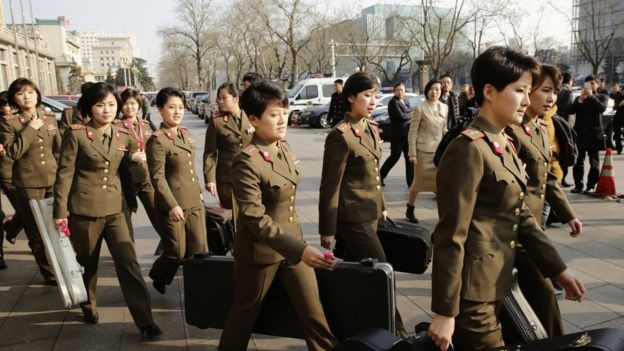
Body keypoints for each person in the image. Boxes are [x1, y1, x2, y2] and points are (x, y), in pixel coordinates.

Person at [428, 46, 585, 351]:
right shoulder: (469, 148)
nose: (527, 100)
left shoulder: (503, 141)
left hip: (501, 281)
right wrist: (446, 310)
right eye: (520, 90)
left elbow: (522, 215)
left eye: (529, 91)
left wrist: (558, 269)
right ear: (489, 91)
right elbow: (450, 235)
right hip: (473, 295)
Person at [219, 80, 337, 351]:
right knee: (242, 319)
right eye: (274, 115)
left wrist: (299, 249)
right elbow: (253, 215)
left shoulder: (282, 146)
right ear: (253, 119)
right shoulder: (246, 160)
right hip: (260, 254)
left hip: (294, 249)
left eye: (284, 112)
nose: (283, 119)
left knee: (315, 316)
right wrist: (301, 249)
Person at [53, 82, 161, 336]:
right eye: (100, 105)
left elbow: (124, 170)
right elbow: (64, 174)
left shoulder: (123, 134)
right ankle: (88, 304)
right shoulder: (77, 134)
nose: (107, 110)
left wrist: (131, 199)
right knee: (87, 263)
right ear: (89, 108)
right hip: (84, 210)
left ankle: (145, 320)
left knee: (129, 263)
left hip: (116, 209)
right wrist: (60, 211)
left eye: (112, 104)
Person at [318, 71, 407, 337]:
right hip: (351, 216)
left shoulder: (370, 127)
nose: (372, 101)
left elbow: (375, 173)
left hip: (370, 213)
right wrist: (327, 229)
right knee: (382, 271)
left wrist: (381, 204)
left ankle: (342, 325)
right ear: (351, 97)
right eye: (367, 95)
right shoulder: (340, 135)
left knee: (351, 275)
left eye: (376, 96)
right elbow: (330, 185)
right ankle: (398, 332)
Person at [506, 64, 582, 337]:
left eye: (555, 92)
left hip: (532, 227)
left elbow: (547, 178)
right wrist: (559, 268)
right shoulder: (511, 132)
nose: (551, 98)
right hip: (517, 231)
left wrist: (568, 213)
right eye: (545, 91)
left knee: (527, 300)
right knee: (545, 297)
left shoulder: (538, 128)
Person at [147, 87, 208, 295]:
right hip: (172, 204)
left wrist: (199, 191)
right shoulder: (157, 140)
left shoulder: (184, 133)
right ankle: (158, 274)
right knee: (176, 251)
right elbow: (157, 177)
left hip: (193, 201)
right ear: (160, 109)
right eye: (171, 107)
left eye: (180, 107)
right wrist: (172, 205)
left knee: (200, 250)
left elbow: (190, 168)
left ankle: (201, 291)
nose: (177, 112)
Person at [0, 78, 60, 284]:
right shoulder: (10, 122)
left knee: (58, 226)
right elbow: (13, 152)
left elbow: (58, 150)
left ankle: (63, 265)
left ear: (37, 94)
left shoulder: (50, 118)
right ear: (14, 98)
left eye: (30, 92)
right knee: (36, 231)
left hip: (52, 179)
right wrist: (31, 128)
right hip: (27, 183)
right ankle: (49, 272)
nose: (26, 96)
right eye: (20, 93)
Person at [115, 88, 162, 240]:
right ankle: (127, 252)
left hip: (146, 178)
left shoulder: (146, 124)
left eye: (133, 103)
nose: (130, 107)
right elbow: (112, 151)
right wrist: (130, 156)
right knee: (124, 220)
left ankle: (170, 246)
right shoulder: (116, 126)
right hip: (126, 181)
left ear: (139, 105)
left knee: (159, 214)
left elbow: (157, 146)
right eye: (126, 103)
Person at [204, 82, 254, 209]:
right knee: (231, 218)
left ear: (236, 99)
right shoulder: (217, 123)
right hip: (227, 180)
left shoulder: (252, 119)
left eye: (224, 98)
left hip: (251, 177)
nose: (220, 101)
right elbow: (210, 153)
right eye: (219, 99)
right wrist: (210, 179)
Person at [405, 80, 448, 223]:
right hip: (423, 152)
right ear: (427, 91)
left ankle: (443, 215)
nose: (434, 92)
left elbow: (444, 130)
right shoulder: (420, 109)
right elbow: (412, 133)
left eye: (437, 89)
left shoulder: (444, 108)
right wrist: (412, 153)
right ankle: (410, 209)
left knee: (441, 185)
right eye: (431, 89)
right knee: (417, 184)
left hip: (439, 153)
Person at [570, 75, 608, 193]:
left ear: (597, 84)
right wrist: (581, 99)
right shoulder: (580, 98)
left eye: (592, 83)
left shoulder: (602, 96)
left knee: (594, 162)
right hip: (580, 133)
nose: (590, 86)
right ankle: (578, 185)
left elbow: (601, 108)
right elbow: (570, 110)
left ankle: (591, 186)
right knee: (578, 161)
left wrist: (591, 96)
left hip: (594, 134)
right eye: (587, 84)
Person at [380, 83, 413, 187]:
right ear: (394, 91)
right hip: (397, 135)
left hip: (407, 134)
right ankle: (380, 175)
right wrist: (410, 114)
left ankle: (411, 182)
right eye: (398, 90)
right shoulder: (393, 102)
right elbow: (401, 116)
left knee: (409, 158)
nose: (400, 92)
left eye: (402, 90)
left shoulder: (406, 101)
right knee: (395, 157)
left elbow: (407, 113)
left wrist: (409, 114)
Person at [609, 83, 624, 154]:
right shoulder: (618, 95)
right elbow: (614, 107)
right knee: (617, 133)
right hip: (618, 116)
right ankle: (619, 149)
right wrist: (619, 105)